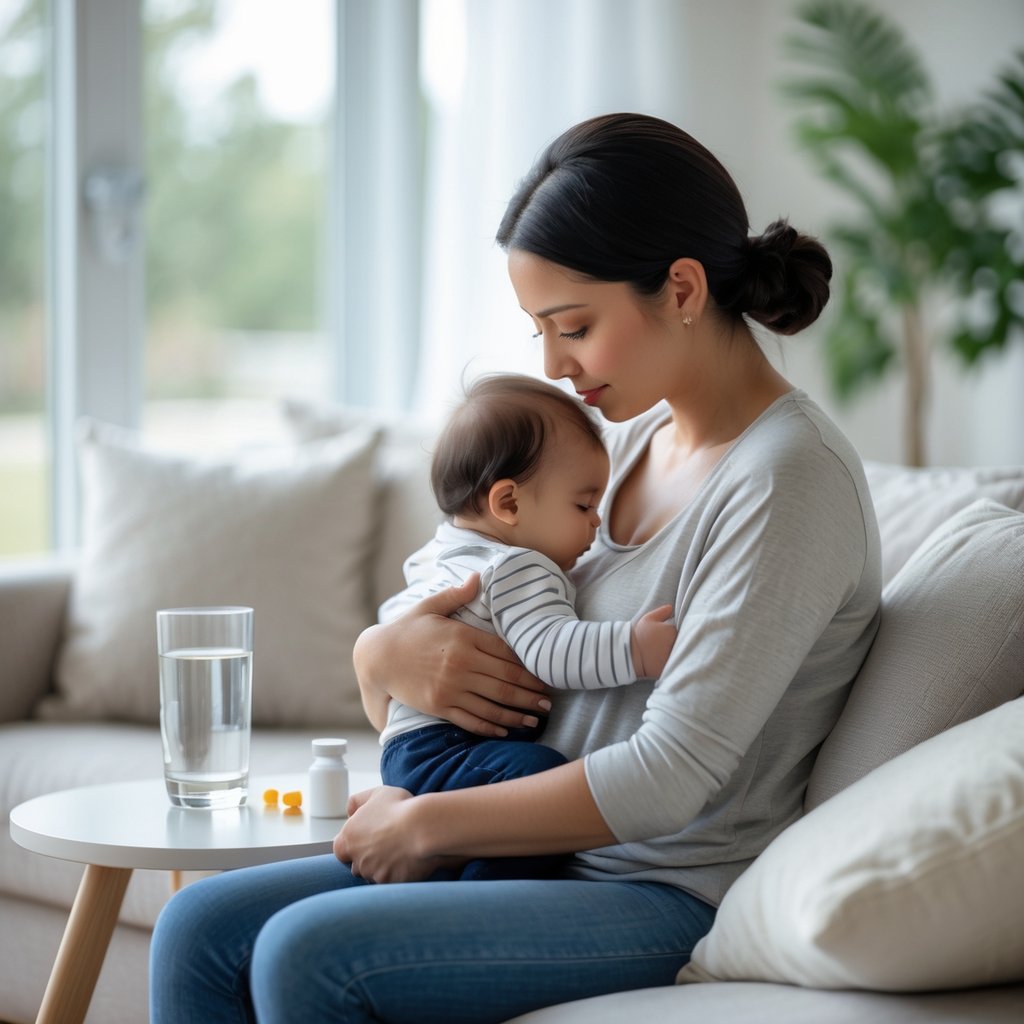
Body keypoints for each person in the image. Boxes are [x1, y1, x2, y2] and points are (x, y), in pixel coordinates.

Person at [150, 112, 882, 1024]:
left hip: (660, 889)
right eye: (538, 328)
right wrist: (382, 659)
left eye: (572, 325)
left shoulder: (788, 482)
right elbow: (484, 672)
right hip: (531, 848)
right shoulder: (620, 445)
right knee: (197, 925)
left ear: (683, 288)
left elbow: (670, 776)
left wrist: (426, 822)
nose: (552, 364)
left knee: (313, 956)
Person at [377, 372, 676, 880]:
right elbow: (552, 650)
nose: (596, 524)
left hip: (409, 749)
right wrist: (637, 649)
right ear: (508, 504)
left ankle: (448, 867)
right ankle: (469, 903)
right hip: (450, 746)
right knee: (540, 785)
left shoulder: (442, 551)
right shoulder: (518, 565)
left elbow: (392, 622)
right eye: (583, 505)